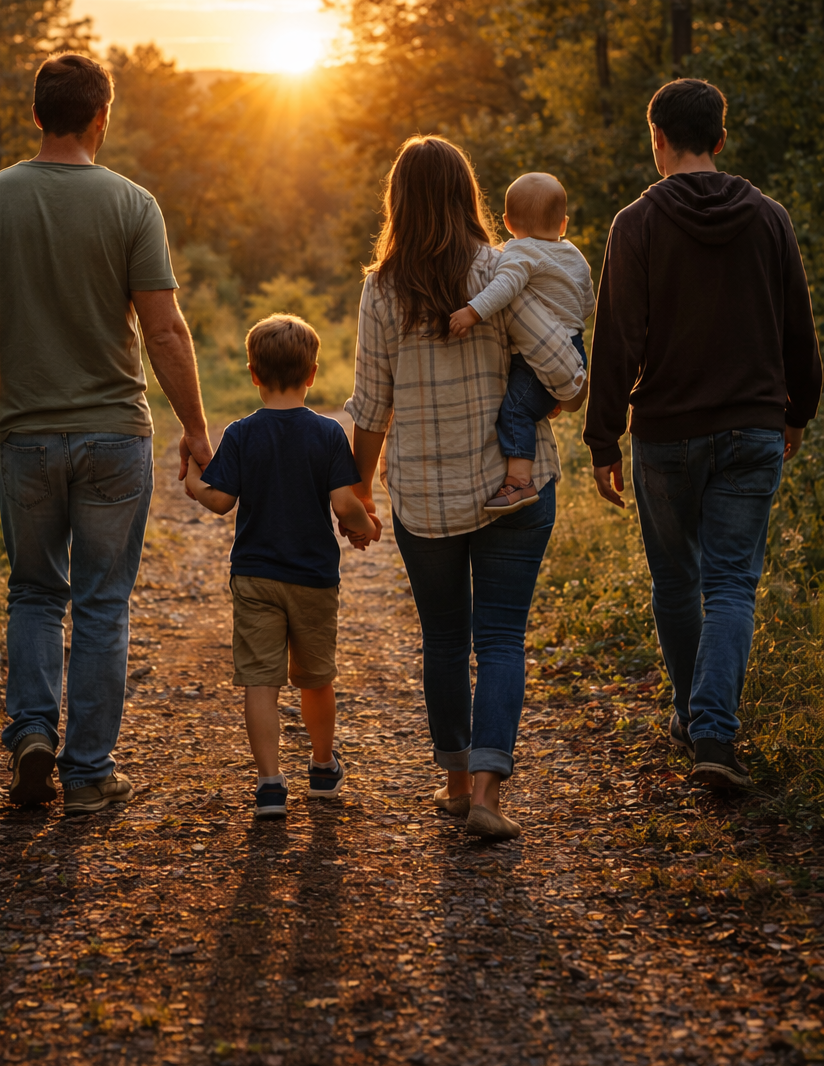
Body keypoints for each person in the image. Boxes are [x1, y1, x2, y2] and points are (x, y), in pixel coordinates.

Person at [0, 53, 213, 817]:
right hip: (114, 436)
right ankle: (89, 772)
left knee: (34, 591)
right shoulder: (133, 205)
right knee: (102, 603)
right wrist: (195, 427)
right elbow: (165, 331)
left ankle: (32, 732)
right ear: (102, 117)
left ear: (37, 115)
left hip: (28, 435)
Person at [345, 136, 586, 842]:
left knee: (445, 639)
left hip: (424, 497)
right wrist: (561, 395)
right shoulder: (500, 268)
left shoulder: (382, 289)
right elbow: (566, 373)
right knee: (502, 638)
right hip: (514, 488)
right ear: (468, 196)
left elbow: (370, 406)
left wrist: (359, 492)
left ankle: (454, 783)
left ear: (398, 202)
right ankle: (487, 791)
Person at [585, 78, 821, 789]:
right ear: (720, 139)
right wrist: (798, 411)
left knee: (676, 581)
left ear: (657, 139)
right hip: (753, 427)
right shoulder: (770, 218)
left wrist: (604, 440)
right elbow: (798, 328)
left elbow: (617, 339)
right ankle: (712, 731)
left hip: (666, 434)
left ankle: (696, 718)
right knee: (731, 585)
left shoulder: (636, 223)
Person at [186, 314, 377, 818]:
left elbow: (220, 500)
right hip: (313, 578)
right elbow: (345, 504)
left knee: (261, 682)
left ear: (253, 373)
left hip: (255, 577)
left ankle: (270, 784)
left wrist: (192, 483)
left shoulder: (241, 433)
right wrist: (366, 527)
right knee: (316, 677)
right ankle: (322, 767)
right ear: (312, 373)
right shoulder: (328, 433)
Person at [449, 171, 593, 513]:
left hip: (538, 358)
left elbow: (504, 287)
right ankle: (549, 398)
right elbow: (587, 302)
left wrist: (472, 312)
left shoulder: (520, 251)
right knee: (529, 400)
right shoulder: (573, 254)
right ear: (563, 223)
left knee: (514, 410)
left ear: (507, 222)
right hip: (574, 346)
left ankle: (519, 481)